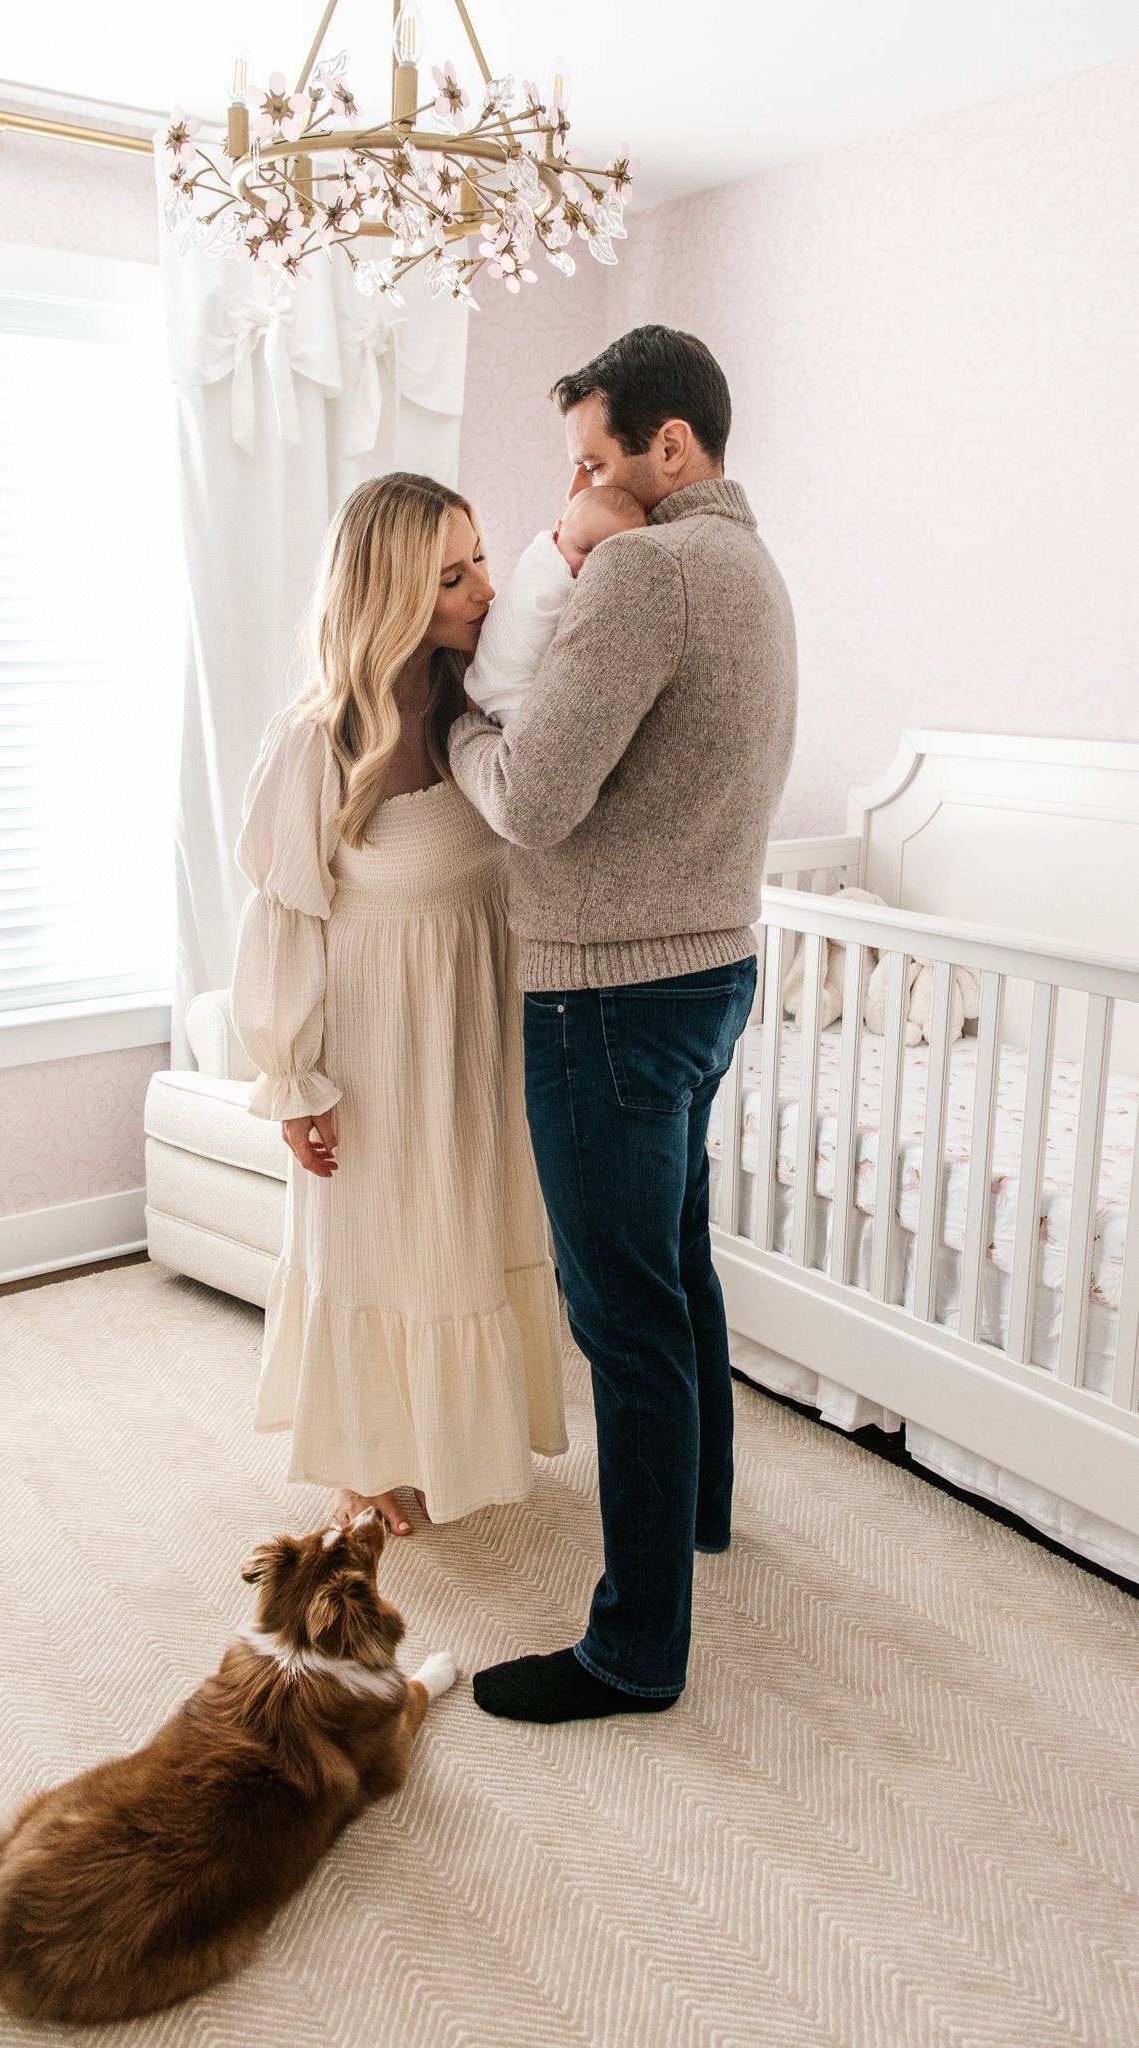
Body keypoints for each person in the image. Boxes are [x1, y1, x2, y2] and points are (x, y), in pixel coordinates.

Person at [448, 324, 798, 1722]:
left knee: (625, 1320)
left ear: (672, 449)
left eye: (598, 458)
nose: (578, 489)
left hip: (606, 990)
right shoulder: (755, 567)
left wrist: (457, 741)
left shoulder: (648, 573)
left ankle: (632, 1648)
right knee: (677, 1273)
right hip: (711, 975)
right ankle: (698, 1517)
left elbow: (533, 799)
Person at [230, 472, 567, 1539]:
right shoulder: (315, 741)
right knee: (379, 1249)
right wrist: (294, 1077)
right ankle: (368, 1454)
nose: (485, 590)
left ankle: (456, 1439)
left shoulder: (486, 704)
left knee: (468, 1237)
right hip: (375, 1053)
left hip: (480, 1035)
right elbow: (283, 921)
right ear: (389, 594)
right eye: (453, 575)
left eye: (481, 559)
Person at [465, 486, 646, 729]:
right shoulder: (545, 568)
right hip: (508, 685)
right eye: (582, 549)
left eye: (609, 558)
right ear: (558, 531)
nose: (590, 564)